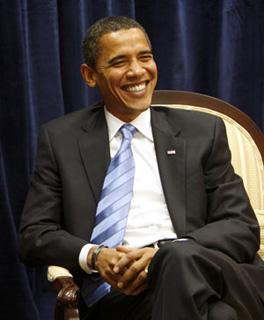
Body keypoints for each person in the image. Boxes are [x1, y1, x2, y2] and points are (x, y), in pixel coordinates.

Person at [19, 16, 264, 320]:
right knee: (220, 316)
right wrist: (95, 256)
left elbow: (241, 226)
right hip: (123, 295)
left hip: (216, 275)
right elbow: (34, 235)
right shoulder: (61, 140)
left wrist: (163, 255)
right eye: (120, 62)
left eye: (145, 57)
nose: (138, 71)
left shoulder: (202, 132)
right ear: (90, 75)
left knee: (178, 257)